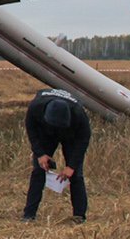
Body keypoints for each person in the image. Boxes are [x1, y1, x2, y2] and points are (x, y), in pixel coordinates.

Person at [23, 88, 91, 222]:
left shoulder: (79, 115)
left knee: (76, 175)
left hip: (71, 135)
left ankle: (79, 216)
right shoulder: (35, 107)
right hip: (45, 134)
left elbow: (83, 140)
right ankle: (29, 215)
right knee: (39, 170)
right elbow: (31, 129)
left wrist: (71, 166)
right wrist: (40, 154)